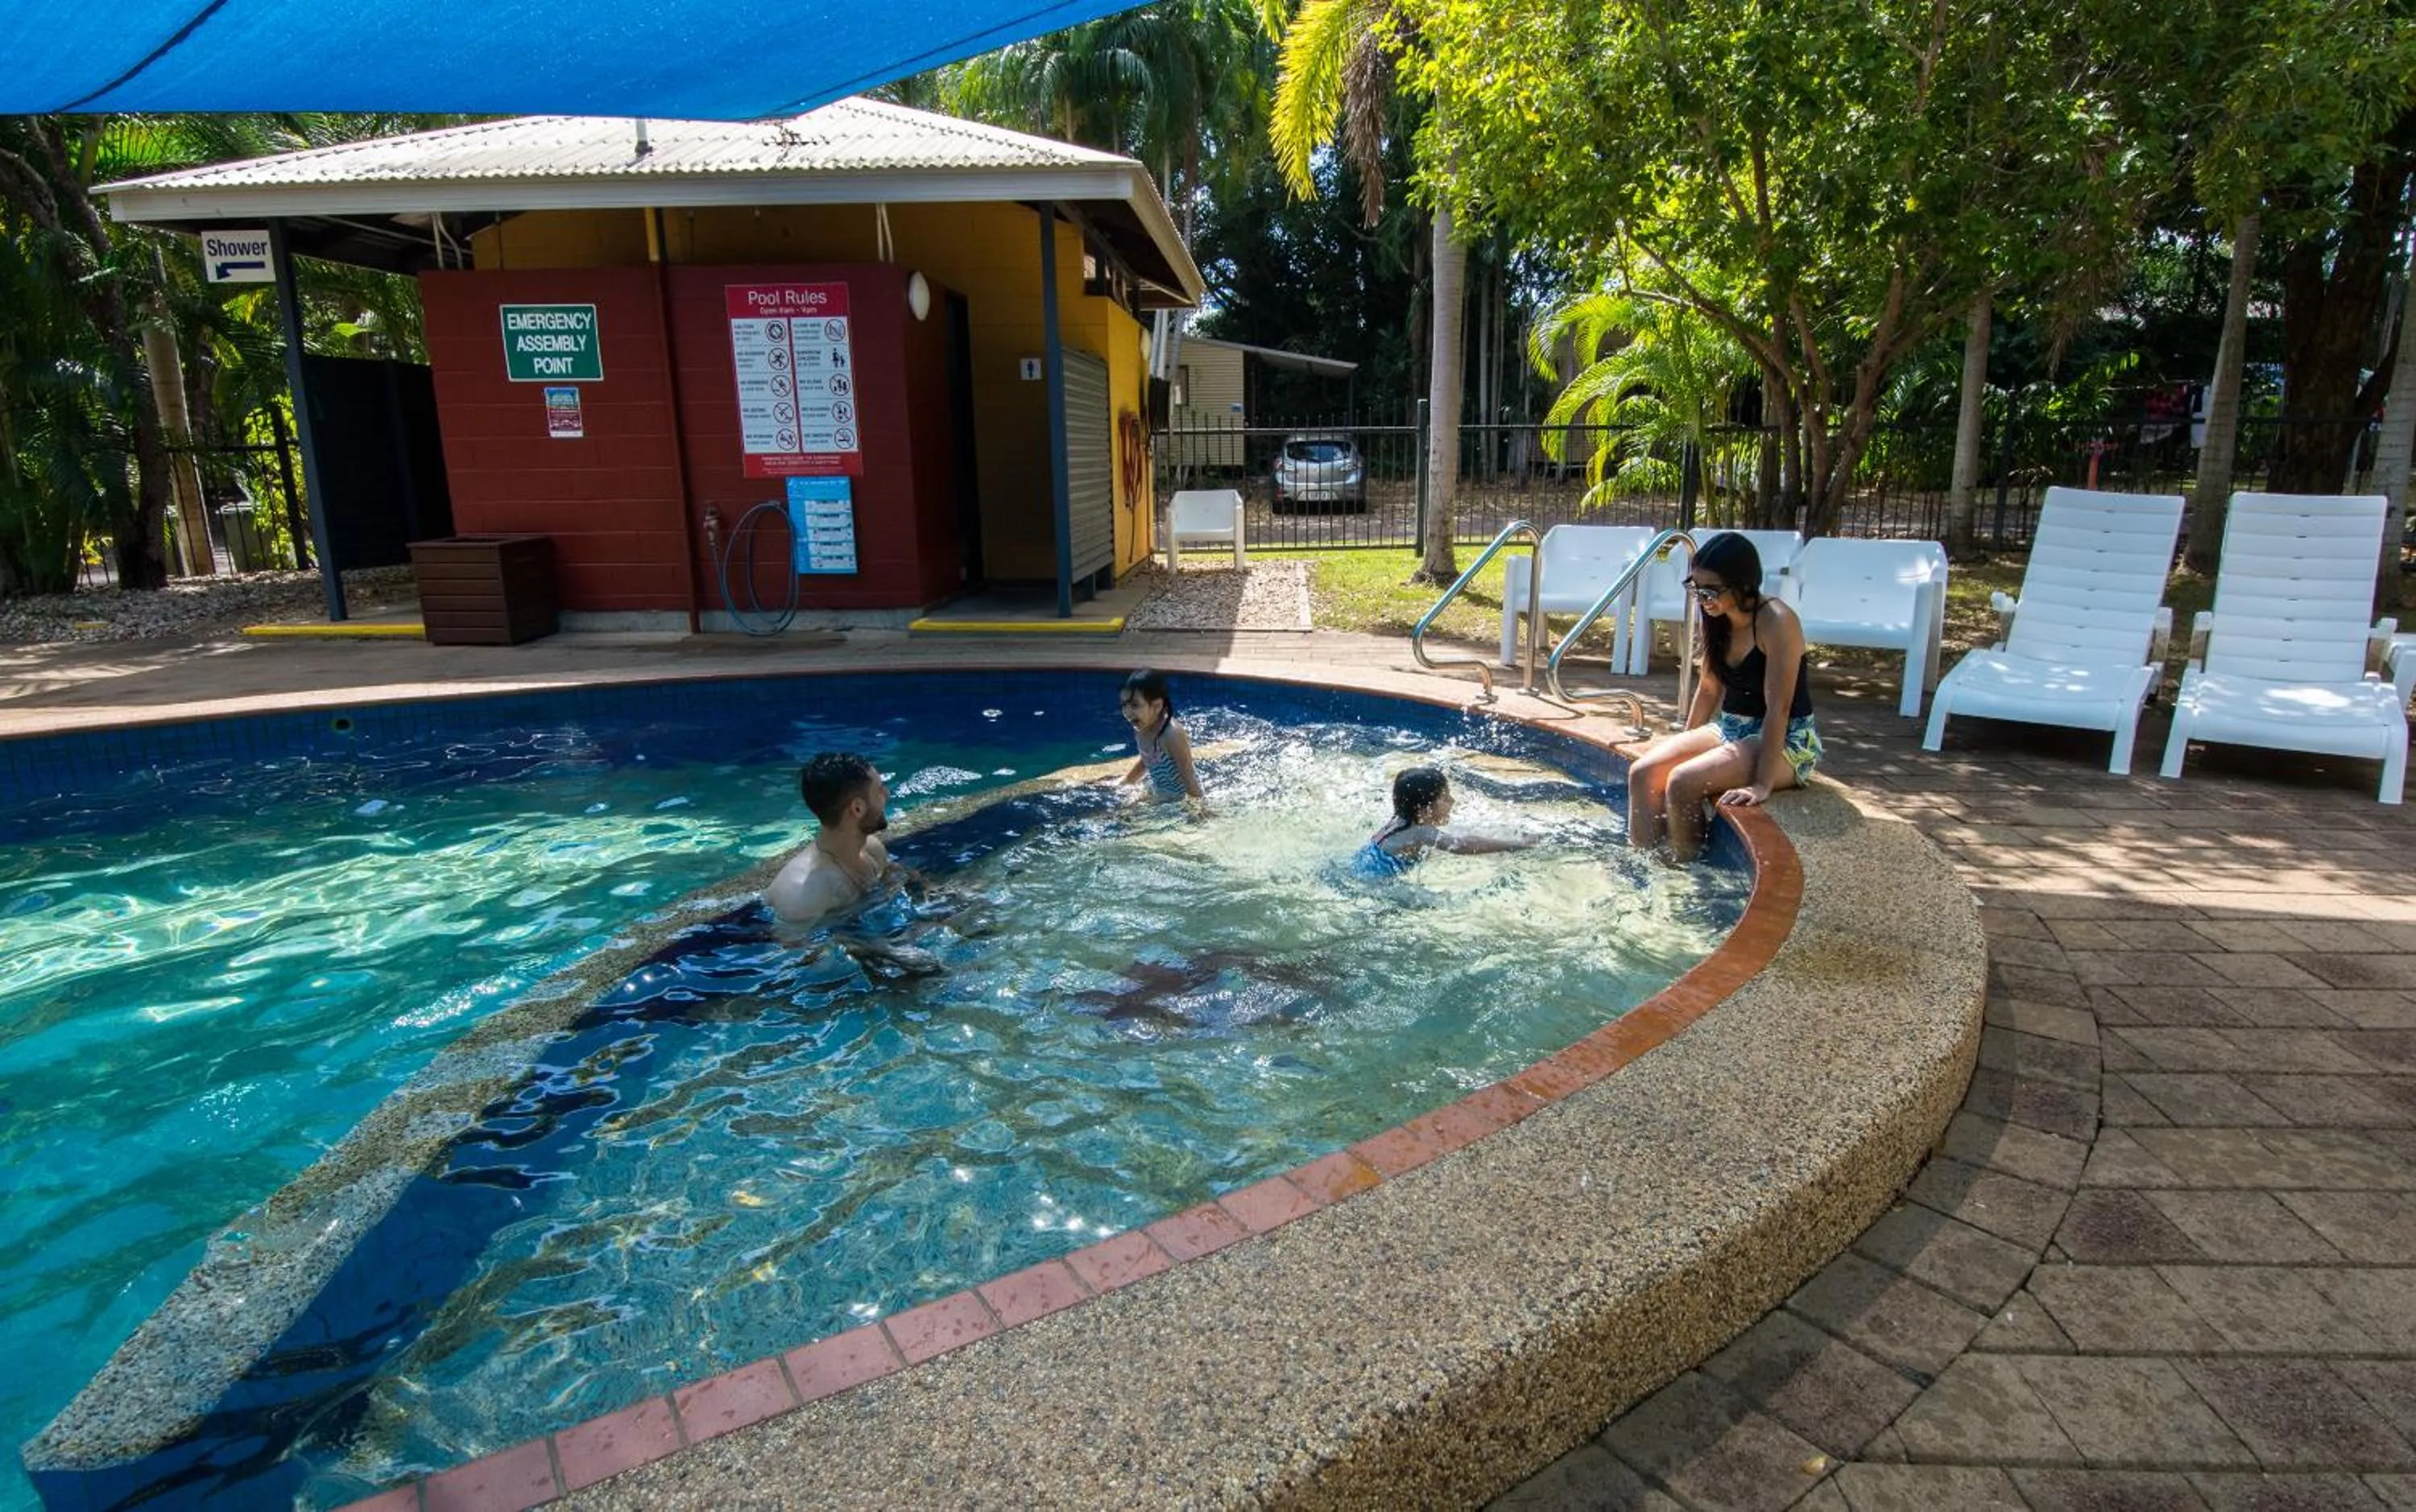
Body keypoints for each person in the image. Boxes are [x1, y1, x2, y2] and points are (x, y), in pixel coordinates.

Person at [1624, 531, 1822, 861]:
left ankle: (1684, 869)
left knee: (1683, 782)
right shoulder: (1717, 616)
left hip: (1786, 739)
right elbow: (1709, 689)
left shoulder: (1777, 621)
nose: (1703, 598)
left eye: (1711, 590)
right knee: (1642, 773)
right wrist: (1685, 743)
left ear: (1743, 585)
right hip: (1732, 727)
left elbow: (1780, 707)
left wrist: (1762, 784)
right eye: (1696, 588)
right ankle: (1644, 865)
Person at [766, 751, 902, 927]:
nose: (887, 794)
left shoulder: (872, 849)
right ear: (857, 809)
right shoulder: (803, 894)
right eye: (879, 791)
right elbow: (790, 943)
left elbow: (895, 879)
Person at [1355, 766, 1532, 876]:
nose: (1452, 801)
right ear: (1425, 809)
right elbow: (1462, 845)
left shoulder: (1400, 821)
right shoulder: (1420, 832)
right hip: (1374, 887)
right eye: (1445, 798)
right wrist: (1515, 845)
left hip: (1360, 868)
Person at [1115, 668, 1204, 802]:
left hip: (1178, 801)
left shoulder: (1171, 734)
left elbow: (1189, 779)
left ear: (1157, 705)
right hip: (1158, 793)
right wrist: (1128, 780)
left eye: (1134, 705)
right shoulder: (1141, 726)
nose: (1127, 712)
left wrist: (1200, 810)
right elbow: (1147, 758)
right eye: (1124, 705)